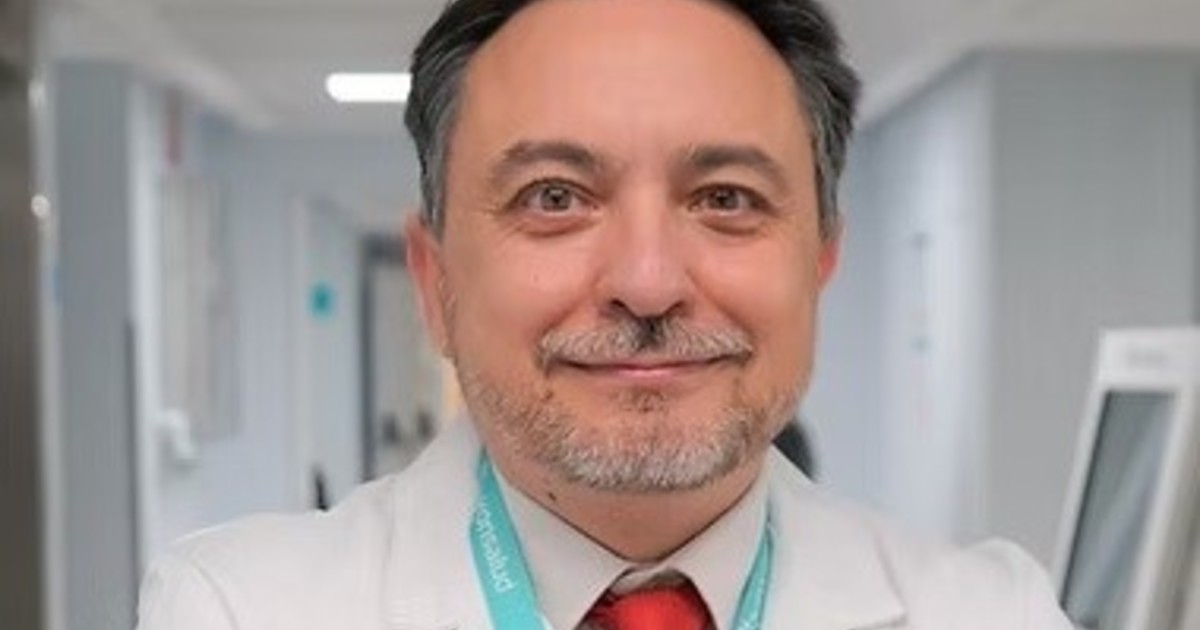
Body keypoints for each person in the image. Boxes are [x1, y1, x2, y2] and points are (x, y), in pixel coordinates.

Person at [137, 0, 1075, 628]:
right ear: (434, 281)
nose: (649, 281)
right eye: (554, 197)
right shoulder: (237, 609)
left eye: (727, 198)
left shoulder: (995, 612)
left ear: (822, 259)